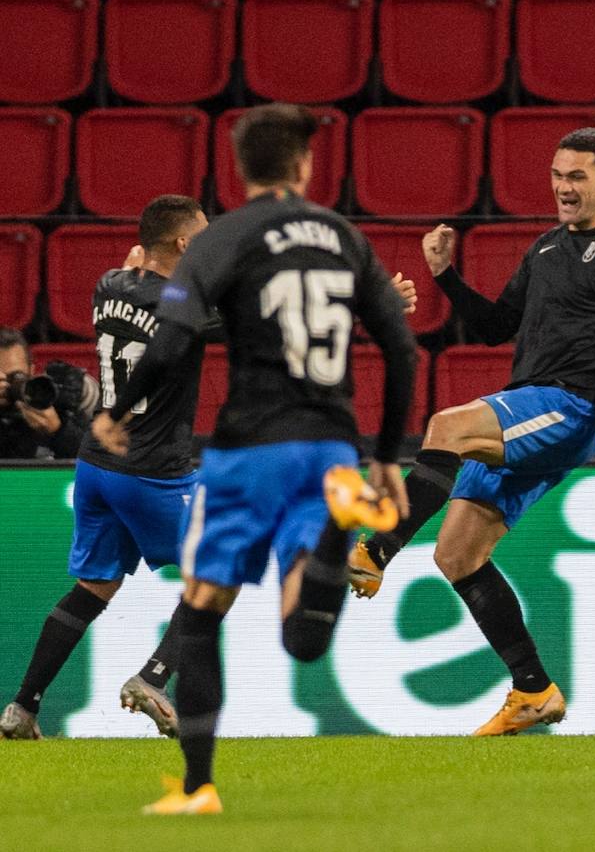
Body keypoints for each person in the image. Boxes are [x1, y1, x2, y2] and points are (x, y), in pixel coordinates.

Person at [92, 103, 417, 813]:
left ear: (243, 170)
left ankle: (200, 786)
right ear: (303, 166)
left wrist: (117, 411)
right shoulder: (341, 236)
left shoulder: (225, 237)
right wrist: (387, 454)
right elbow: (400, 348)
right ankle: (336, 526)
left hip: (248, 450)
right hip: (331, 448)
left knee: (203, 608)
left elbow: (170, 341)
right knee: (303, 636)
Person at [346, 127, 595, 736]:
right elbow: (495, 327)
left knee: (447, 424)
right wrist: (444, 275)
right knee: (457, 554)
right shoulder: (545, 248)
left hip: (570, 408)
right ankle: (533, 690)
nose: (563, 188)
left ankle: (378, 548)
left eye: (576, 177)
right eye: (556, 175)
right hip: (531, 407)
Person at [0, 197, 208, 742]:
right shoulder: (189, 306)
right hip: (152, 472)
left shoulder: (108, 285)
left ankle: (23, 707)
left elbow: (133, 275)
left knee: (92, 586)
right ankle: (154, 678)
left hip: (96, 467)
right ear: (184, 245)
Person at [0, 327, 96, 460]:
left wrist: (59, 431)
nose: (6, 385)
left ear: (31, 371)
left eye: (16, 376)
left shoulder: (53, 400)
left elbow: (99, 461)